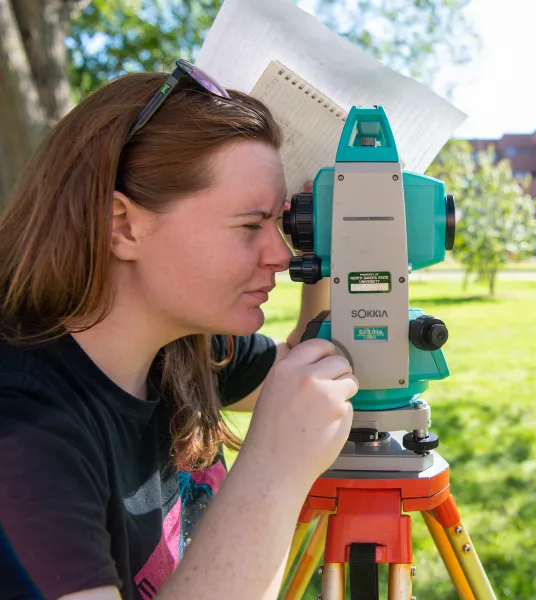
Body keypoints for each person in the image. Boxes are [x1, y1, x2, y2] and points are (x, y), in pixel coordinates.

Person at [0, 60, 358, 600]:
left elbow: (306, 377)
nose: (282, 256)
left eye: (280, 225)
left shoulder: (181, 350)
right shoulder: (22, 430)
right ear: (122, 225)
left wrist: (330, 250)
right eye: (249, 225)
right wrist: (274, 471)